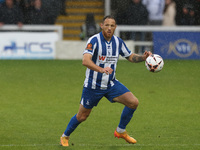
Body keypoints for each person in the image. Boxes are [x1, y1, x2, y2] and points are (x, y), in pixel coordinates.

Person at [60, 15, 152, 147]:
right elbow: (85, 60)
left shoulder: (118, 42)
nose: (109, 28)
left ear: (115, 27)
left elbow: (130, 57)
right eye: (107, 25)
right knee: (82, 116)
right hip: (93, 86)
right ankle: (65, 136)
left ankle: (120, 131)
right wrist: (100, 69)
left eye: (112, 25)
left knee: (133, 102)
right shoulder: (94, 40)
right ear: (101, 26)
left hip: (110, 84)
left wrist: (143, 58)